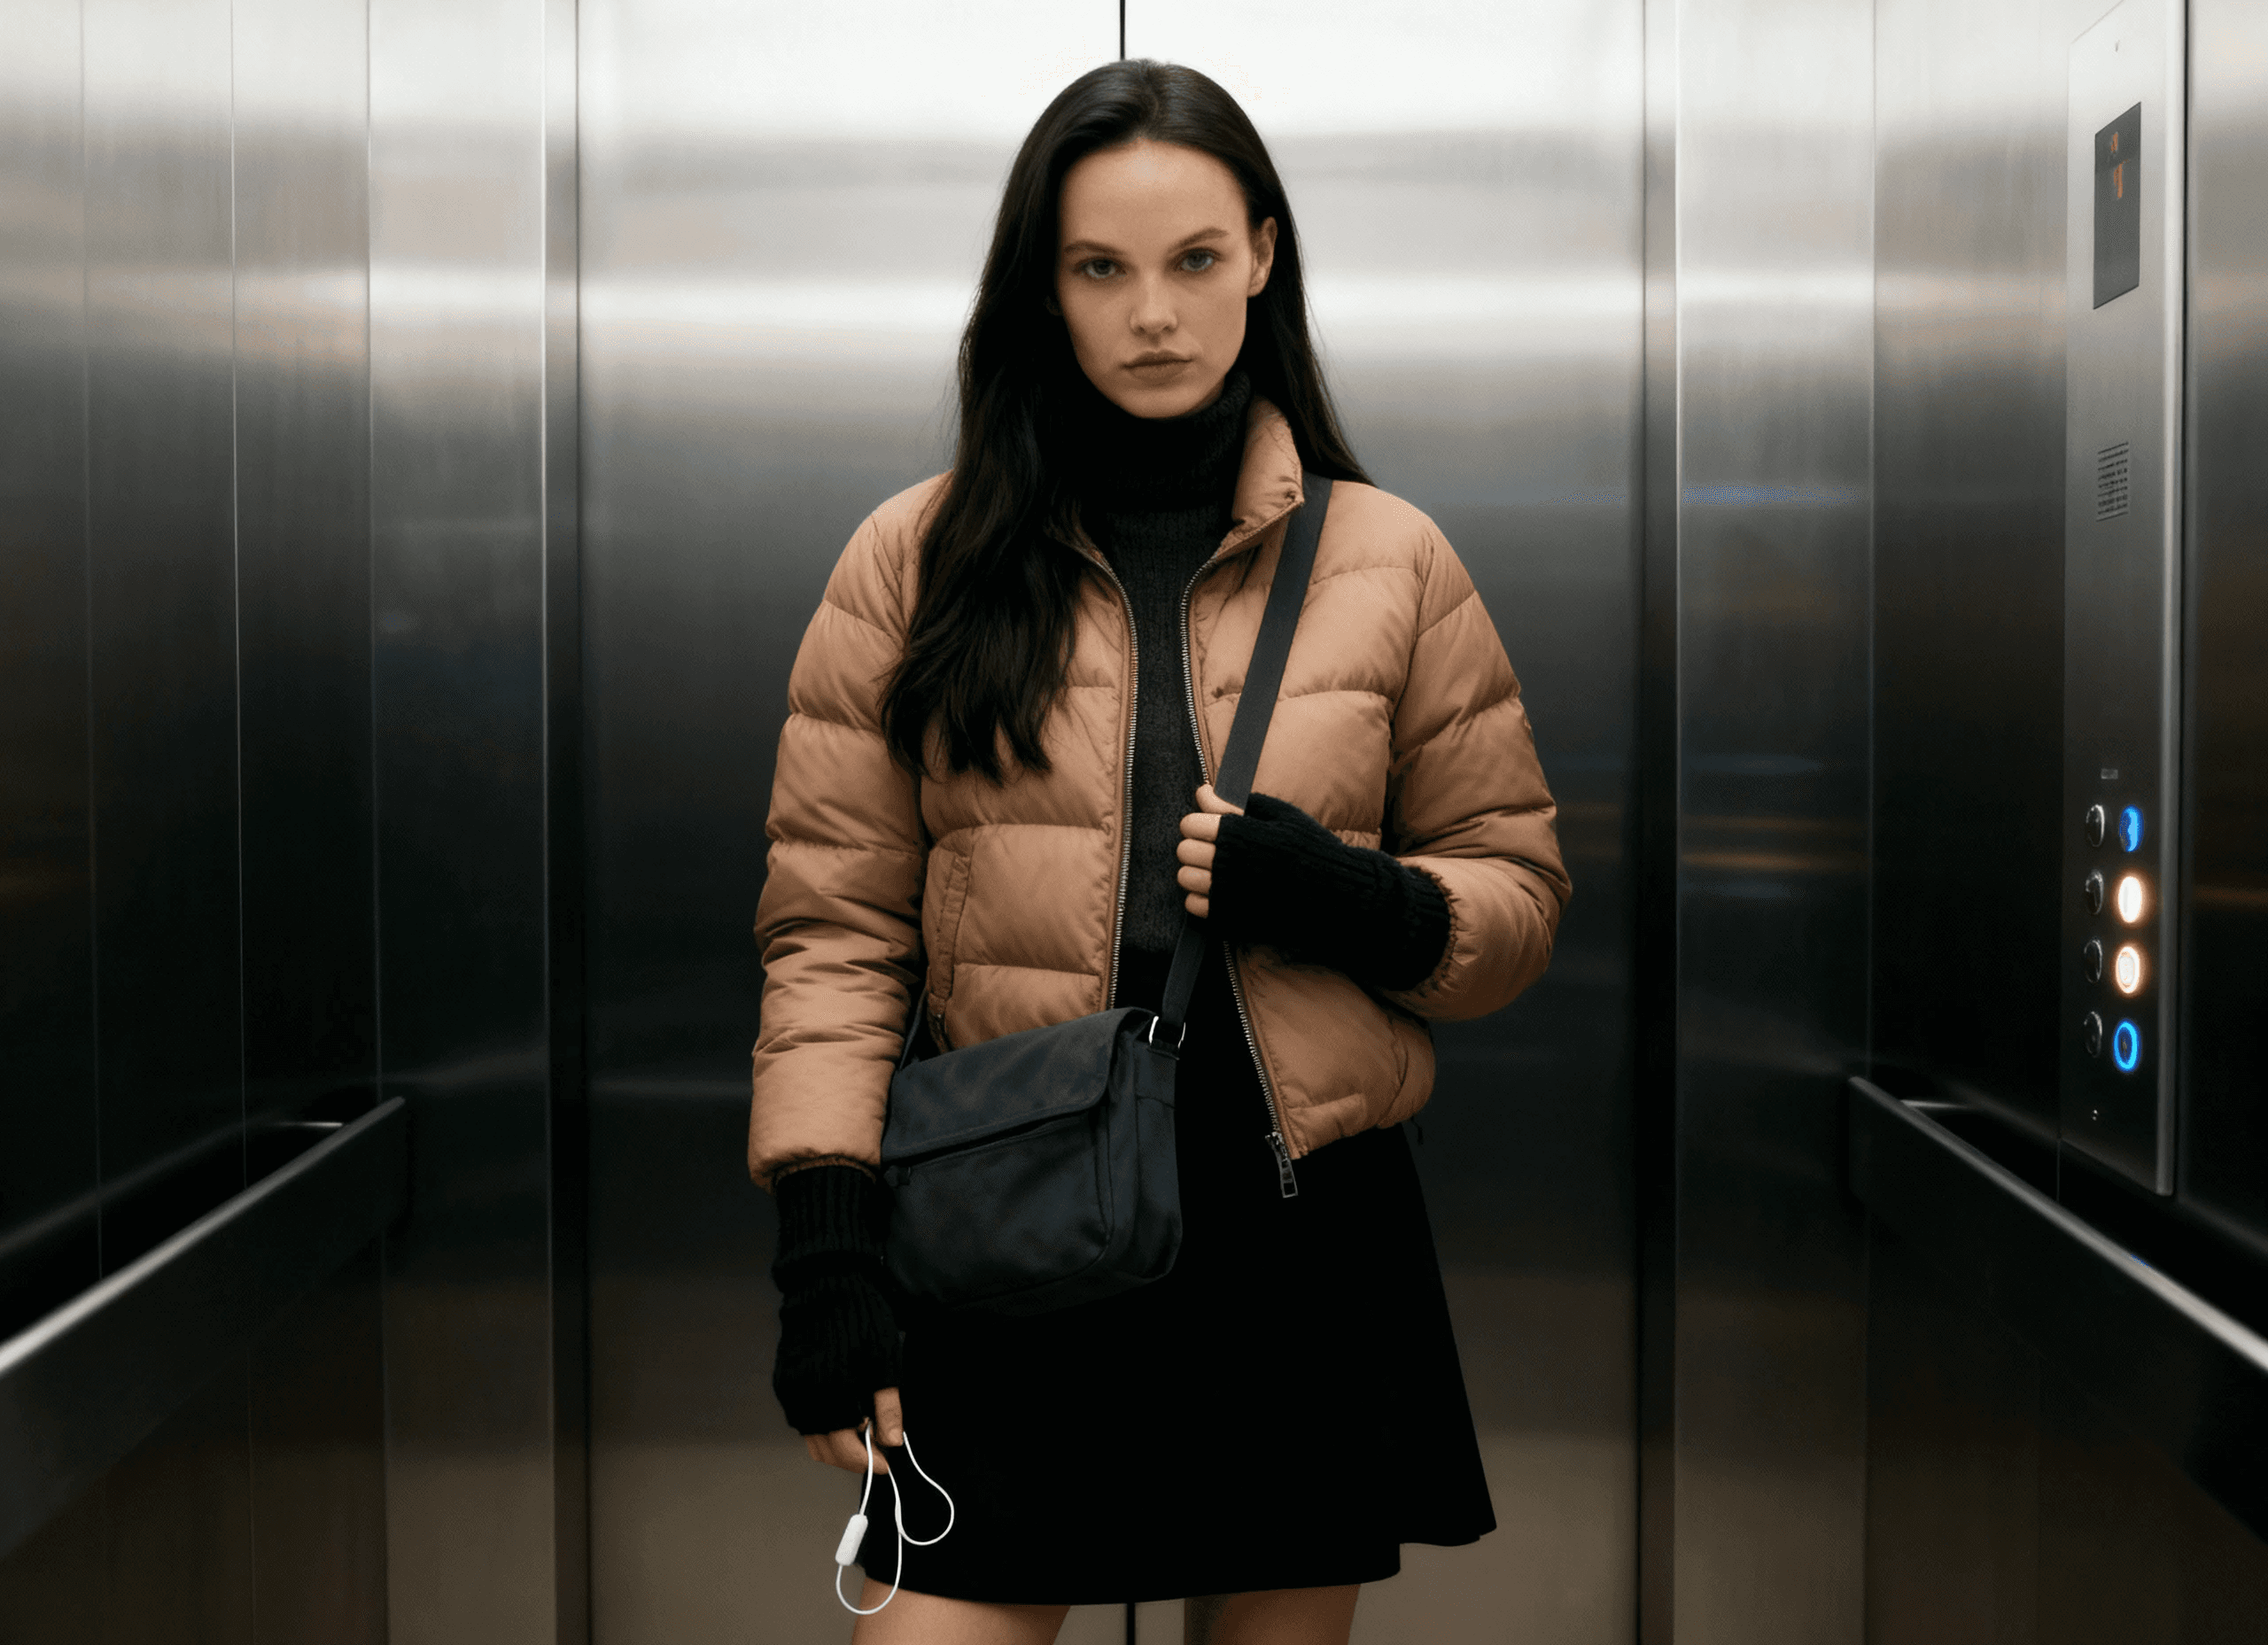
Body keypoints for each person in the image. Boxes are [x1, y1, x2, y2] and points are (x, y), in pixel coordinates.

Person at [749, 58, 1570, 1645]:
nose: (1154, 313)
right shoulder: (911, 562)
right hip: (1016, 1218)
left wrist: (1354, 902)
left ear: (1263, 253)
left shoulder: (1391, 559)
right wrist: (825, 1260)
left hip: (1299, 1232)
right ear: (1040, 287)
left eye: (1195, 259)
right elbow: (834, 937)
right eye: (1100, 268)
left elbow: (1515, 899)